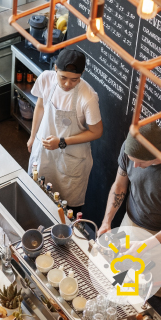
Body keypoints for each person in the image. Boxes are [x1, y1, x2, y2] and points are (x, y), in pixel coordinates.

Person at [98, 122, 161, 320]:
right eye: (132, 161)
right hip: (132, 223)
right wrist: (106, 221)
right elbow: (120, 185)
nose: (135, 166)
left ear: (157, 153)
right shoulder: (129, 148)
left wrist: (147, 244)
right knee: (123, 279)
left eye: (140, 162)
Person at [27, 49, 103, 215]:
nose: (68, 84)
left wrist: (62, 142)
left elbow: (97, 132)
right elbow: (40, 106)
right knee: (37, 194)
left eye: (74, 79)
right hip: (44, 149)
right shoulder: (46, 79)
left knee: (67, 209)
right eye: (63, 77)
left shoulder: (88, 97)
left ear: (82, 74)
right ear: (55, 68)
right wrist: (33, 136)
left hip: (70, 159)